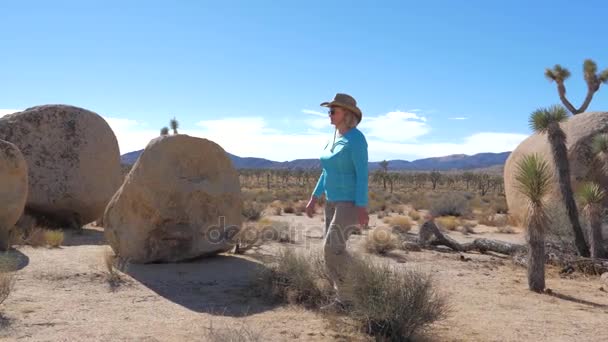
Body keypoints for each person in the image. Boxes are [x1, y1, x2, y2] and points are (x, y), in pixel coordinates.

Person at [305, 93, 369, 312]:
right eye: (329, 111)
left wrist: (362, 206)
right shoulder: (334, 138)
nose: (329, 114)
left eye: (333, 111)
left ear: (347, 114)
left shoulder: (356, 139)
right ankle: (348, 291)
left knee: (331, 249)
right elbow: (326, 171)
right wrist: (314, 197)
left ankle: (347, 300)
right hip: (332, 203)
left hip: (349, 203)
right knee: (333, 251)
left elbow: (362, 174)